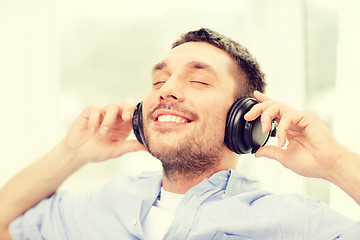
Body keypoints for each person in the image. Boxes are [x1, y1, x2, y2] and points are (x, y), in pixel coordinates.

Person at [0, 28, 360, 240]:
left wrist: (335, 164)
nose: (165, 90)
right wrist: (72, 152)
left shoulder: (291, 222)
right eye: (159, 80)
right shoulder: (104, 204)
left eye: (199, 80)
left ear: (245, 120)